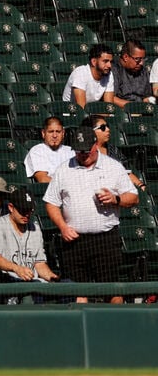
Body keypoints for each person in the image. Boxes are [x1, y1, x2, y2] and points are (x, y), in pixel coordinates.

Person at [43, 126, 137, 303]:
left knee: (112, 289)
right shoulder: (64, 169)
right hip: (75, 241)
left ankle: (114, 328)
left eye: (86, 150)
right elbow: (51, 203)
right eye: (79, 151)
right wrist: (63, 227)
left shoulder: (113, 167)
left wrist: (115, 198)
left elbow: (133, 197)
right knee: (79, 290)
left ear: (95, 145)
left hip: (105, 239)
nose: (83, 154)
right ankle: (83, 330)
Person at [0, 189, 58, 283]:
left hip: (34, 282)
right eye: (23, 210)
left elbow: (39, 263)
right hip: (9, 281)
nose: (27, 214)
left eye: (29, 210)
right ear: (11, 207)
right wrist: (16, 269)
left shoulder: (35, 228)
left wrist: (53, 279)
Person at [83, 115, 144, 189]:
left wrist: (141, 186)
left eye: (107, 126)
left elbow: (127, 173)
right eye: (103, 128)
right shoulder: (83, 153)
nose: (108, 129)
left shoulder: (113, 150)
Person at [24, 116, 75, 183]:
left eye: (58, 131)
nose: (54, 135)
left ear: (63, 133)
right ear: (43, 133)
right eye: (51, 132)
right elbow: (43, 179)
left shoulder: (70, 151)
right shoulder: (37, 151)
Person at [111, 39, 153, 106]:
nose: (141, 63)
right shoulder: (114, 70)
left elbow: (147, 96)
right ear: (126, 57)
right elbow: (111, 98)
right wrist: (135, 107)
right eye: (137, 59)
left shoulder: (142, 70)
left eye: (143, 59)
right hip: (121, 111)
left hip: (141, 109)